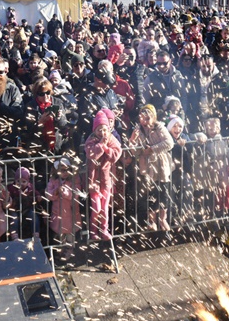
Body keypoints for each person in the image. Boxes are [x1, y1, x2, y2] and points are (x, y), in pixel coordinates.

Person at [129, 104, 174, 231]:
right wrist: (132, 140)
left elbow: (169, 143)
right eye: (142, 118)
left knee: (164, 193)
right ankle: (151, 221)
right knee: (150, 193)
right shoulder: (138, 130)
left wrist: (152, 149)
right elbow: (133, 151)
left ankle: (162, 219)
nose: (144, 121)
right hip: (147, 166)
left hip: (161, 165)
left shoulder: (159, 127)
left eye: (147, 118)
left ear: (153, 118)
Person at [85, 109, 122, 240]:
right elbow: (91, 154)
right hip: (94, 181)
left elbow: (116, 154)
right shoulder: (91, 140)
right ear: (95, 130)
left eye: (104, 129)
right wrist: (101, 145)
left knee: (104, 208)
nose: (102, 132)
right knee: (96, 208)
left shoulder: (111, 139)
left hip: (106, 180)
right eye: (99, 129)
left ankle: (104, 229)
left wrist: (107, 148)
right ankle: (93, 231)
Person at [46, 158, 83, 260]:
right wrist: (56, 192)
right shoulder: (53, 181)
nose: (65, 173)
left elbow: (76, 194)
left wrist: (66, 192)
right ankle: (61, 250)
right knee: (60, 233)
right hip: (58, 213)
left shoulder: (74, 180)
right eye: (62, 170)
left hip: (71, 212)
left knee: (70, 233)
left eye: (67, 170)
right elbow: (48, 195)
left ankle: (70, 250)